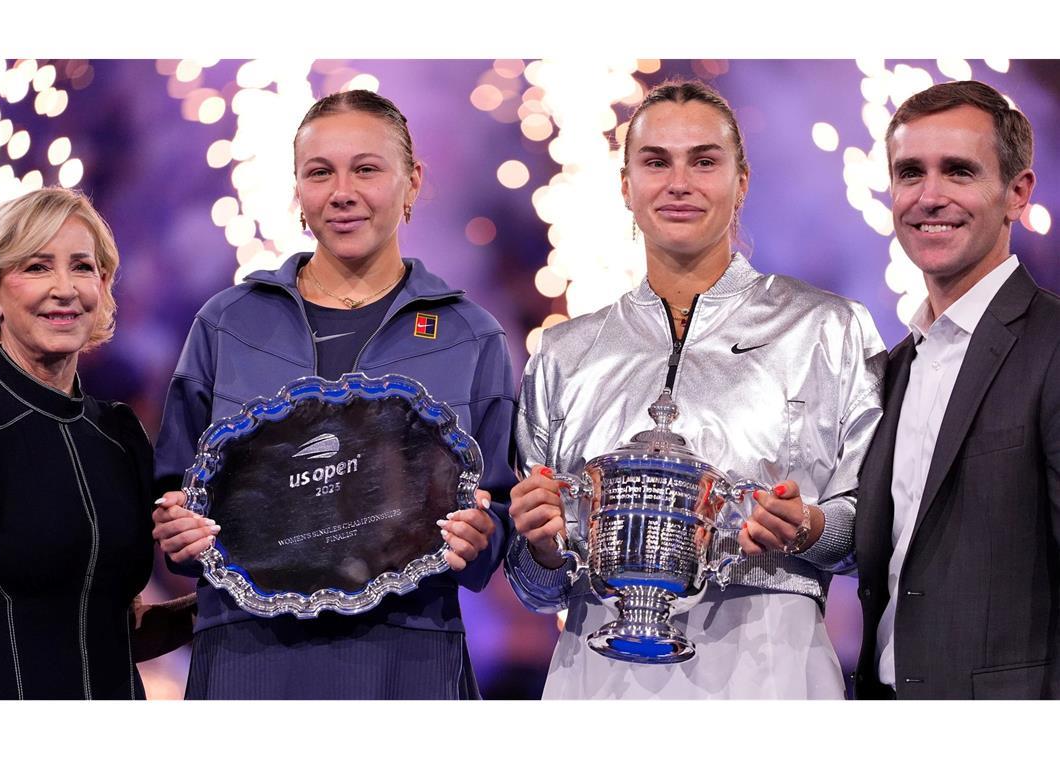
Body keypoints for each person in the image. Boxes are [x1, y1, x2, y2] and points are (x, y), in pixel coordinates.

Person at [505, 80, 886, 699]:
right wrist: (542, 549)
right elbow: (533, 583)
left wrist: (809, 527)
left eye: (704, 160)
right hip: (599, 678)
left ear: (742, 181)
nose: (678, 182)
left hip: (771, 669)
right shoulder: (565, 353)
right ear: (625, 185)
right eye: (656, 162)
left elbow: (874, 526)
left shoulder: (829, 328)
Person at [151, 90, 515, 699]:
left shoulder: (470, 334)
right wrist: (175, 533)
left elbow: (497, 511)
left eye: (367, 169)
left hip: (408, 657)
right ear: (299, 189)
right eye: (320, 172)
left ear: (412, 182)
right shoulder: (227, 322)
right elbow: (177, 491)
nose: (342, 192)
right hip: (247, 654)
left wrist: (483, 537)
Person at [0, 187, 189, 699]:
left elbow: (111, 628)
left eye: (82, 268)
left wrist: (227, 605)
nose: (65, 288)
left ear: (104, 286)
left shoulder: (120, 434)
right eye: (38, 267)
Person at [854, 80, 1059, 699]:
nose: (930, 197)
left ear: (1016, 194)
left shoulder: (1054, 344)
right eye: (910, 173)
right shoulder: (889, 370)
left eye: (959, 172)